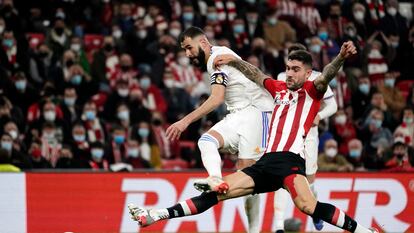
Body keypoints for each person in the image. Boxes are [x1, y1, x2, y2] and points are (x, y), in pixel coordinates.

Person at [129, 42, 379, 233]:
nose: (289, 73)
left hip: (290, 162)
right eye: (287, 68)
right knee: (217, 194)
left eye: (295, 69)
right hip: (266, 163)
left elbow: (326, 75)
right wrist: (234, 61)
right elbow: (256, 74)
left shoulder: (313, 91)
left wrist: (341, 58)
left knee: (308, 206)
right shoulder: (279, 89)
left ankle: (364, 231)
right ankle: (154, 216)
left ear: (307, 73)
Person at [165, 26, 274, 233]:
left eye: (189, 48)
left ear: (204, 42)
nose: (188, 54)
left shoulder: (217, 59)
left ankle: (254, 230)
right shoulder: (220, 55)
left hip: (257, 114)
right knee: (206, 141)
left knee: (246, 176)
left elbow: (216, 99)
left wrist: (184, 121)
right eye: (185, 50)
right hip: (239, 114)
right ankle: (215, 179)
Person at [274, 43, 338, 232]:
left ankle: (316, 212)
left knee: (309, 182)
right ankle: (278, 226)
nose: (291, 68)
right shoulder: (281, 78)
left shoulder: (318, 78)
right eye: (289, 60)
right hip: (285, 135)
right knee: (281, 179)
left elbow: (332, 106)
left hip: (308, 135)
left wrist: (319, 116)